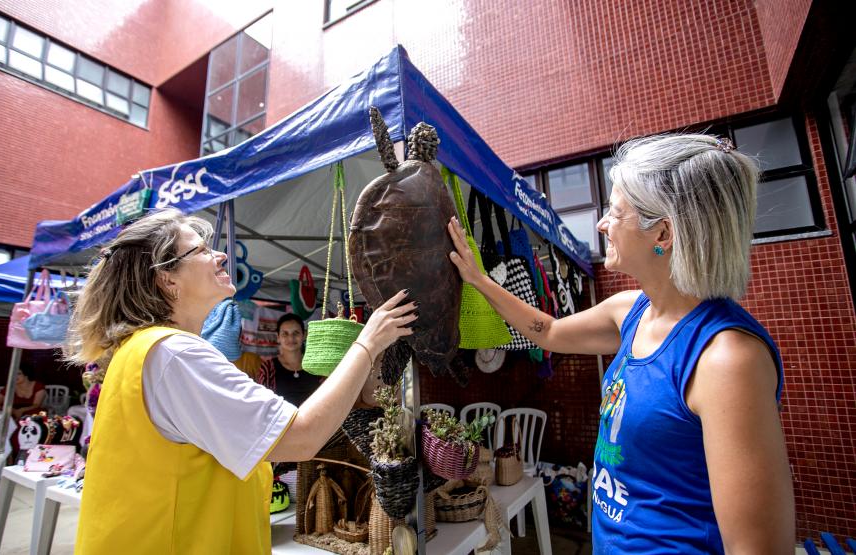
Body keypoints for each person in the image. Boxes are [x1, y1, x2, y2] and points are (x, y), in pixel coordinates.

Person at [447, 134, 795, 554]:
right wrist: (479, 281)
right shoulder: (631, 310)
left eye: (614, 212)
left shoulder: (725, 359)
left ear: (662, 232)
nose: (601, 223)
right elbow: (549, 332)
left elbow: (758, 549)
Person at [64, 209, 416, 554]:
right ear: (166, 279)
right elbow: (302, 437)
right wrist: (367, 343)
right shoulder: (174, 354)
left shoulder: (143, 350)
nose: (219, 255)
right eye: (200, 250)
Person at [256, 313, 321, 406]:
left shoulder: (316, 365)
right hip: (282, 420)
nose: (291, 338)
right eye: (285, 334)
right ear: (278, 337)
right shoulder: (268, 368)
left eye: (296, 333)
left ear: (304, 335)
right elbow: (263, 403)